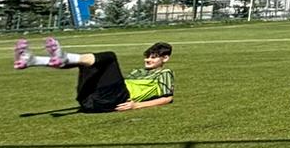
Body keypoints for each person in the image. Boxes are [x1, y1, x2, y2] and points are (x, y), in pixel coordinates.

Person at [13, 38, 174, 113]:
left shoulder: (165, 73)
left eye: (153, 57)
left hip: (116, 101)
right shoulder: (138, 72)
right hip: (88, 102)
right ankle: (33, 60)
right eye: (147, 56)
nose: (148, 59)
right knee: (90, 64)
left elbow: (167, 98)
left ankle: (61, 57)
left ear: (165, 58)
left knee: (109, 57)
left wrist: (136, 106)